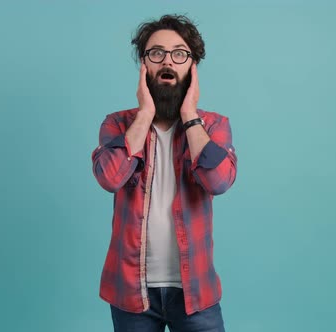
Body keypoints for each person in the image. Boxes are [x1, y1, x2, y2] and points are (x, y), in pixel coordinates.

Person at [91, 14, 237, 332]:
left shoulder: (213, 126)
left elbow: (219, 181)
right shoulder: (117, 124)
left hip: (196, 292)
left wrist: (189, 114)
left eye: (179, 54)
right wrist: (144, 114)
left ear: (192, 66)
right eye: (156, 53)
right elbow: (110, 178)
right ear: (144, 65)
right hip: (131, 293)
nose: (167, 62)